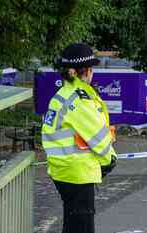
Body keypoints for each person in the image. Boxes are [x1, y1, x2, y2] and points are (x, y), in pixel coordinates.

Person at [41, 43, 117, 233]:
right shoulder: (79, 100)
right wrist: (110, 160)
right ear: (86, 71)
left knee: (72, 224)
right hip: (79, 173)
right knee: (82, 227)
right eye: (91, 69)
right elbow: (97, 137)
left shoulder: (62, 95)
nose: (92, 73)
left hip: (63, 171)